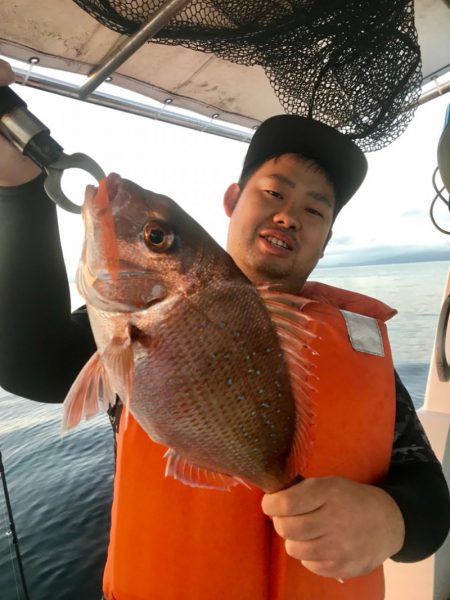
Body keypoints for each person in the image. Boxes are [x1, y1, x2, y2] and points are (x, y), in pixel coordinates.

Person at [0, 58, 449, 600]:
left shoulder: (356, 348)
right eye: (274, 192)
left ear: (327, 239)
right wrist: (18, 187)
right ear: (233, 201)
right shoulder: (132, 322)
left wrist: (390, 520)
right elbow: (33, 364)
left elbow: (431, 501)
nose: (289, 216)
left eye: (315, 210)